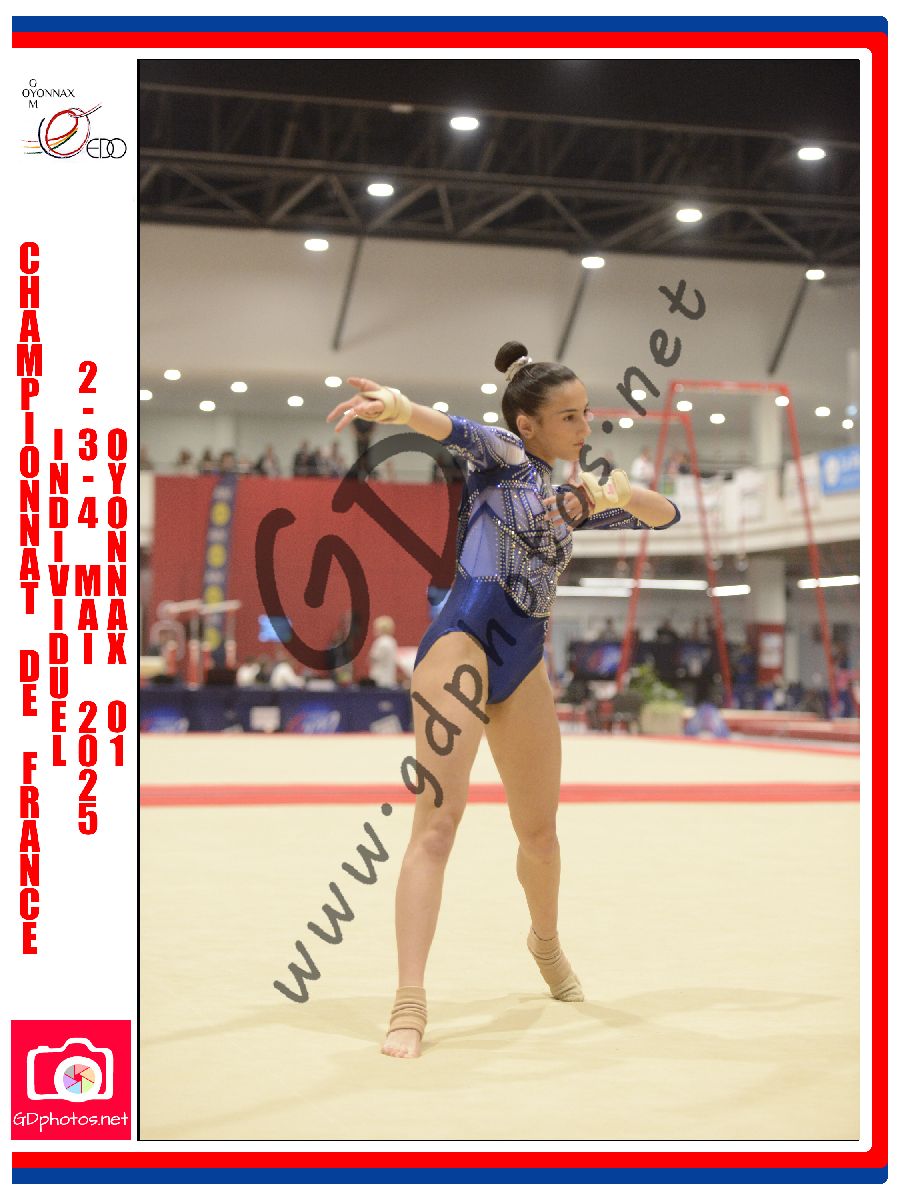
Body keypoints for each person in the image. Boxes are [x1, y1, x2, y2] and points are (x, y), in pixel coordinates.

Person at [326, 341, 680, 1060]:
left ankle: (545, 943)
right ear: (528, 423)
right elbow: (449, 428)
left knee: (540, 834)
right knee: (437, 826)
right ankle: (409, 999)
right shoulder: (503, 455)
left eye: (586, 413)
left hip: (523, 666)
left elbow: (665, 515)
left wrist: (614, 494)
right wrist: (397, 407)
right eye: (569, 416)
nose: (584, 426)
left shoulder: (569, 498)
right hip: (461, 647)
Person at [369, 615, 401, 688]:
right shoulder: (392, 641)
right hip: (390, 677)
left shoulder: (380, 642)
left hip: (379, 679)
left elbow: (374, 658)